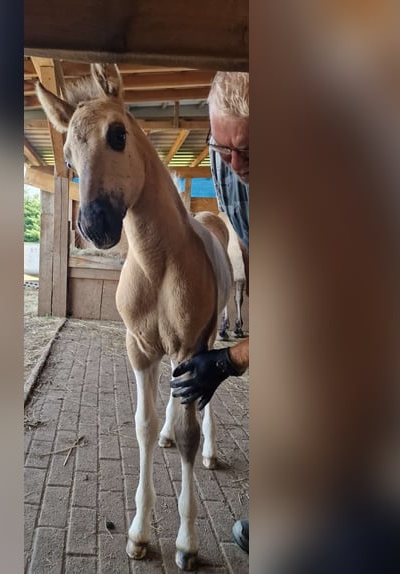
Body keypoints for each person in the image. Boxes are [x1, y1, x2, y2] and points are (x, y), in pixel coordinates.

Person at [170, 71, 250, 553]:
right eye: (223, 148)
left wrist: (229, 360)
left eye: (249, 150)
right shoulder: (225, 162)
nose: (235, 162)